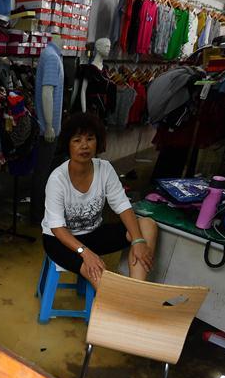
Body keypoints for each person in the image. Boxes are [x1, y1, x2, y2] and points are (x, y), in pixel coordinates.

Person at [42, 112, 157, 288]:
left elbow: (122, 205)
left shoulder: (105, 169)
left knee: (147, 225)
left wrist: (138, 240)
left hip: (93, 234)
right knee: (102, 279)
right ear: (68, 145)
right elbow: (57, 228)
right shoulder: (57, 179)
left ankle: (137, 289)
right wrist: (85, 252)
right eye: (77, 140)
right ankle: (120, 306)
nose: (84, 146)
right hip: (61, 241)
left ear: (98, 142)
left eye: (90, 139)